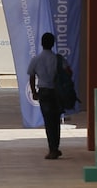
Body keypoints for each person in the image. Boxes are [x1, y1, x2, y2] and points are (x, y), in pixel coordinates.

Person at [28, 32, 70, 160]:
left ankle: (52, 149)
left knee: (48, 121)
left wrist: (34, 92)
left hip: (43, 92)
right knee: (56, 120)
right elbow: (68, 72)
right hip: (56, 93)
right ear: (53, 44)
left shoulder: (36, 59)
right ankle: (55, 147)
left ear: (41, 43)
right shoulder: (58, 59)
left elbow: (31, 76)